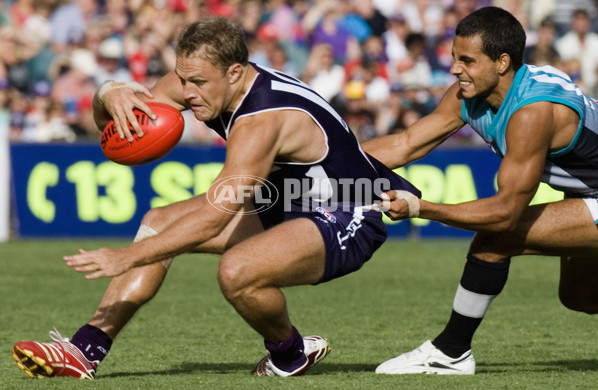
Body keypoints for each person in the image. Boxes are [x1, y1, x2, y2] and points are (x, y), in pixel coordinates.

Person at [11, 16, 419, 379]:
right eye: (182, 78)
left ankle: (290, 353)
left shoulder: (262, 120)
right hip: (289, 199)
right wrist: (109, 91)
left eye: (198, 83)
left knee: (237, 272)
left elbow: (214, 216)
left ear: (236, 73)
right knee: (160, 219)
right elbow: (122, 132)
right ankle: (85, 351)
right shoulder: (201, 79)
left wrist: (128, 256)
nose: (186, 93)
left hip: (348, 212)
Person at [362, 6, 598, 375]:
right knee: (580, 297)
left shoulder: (532, 111)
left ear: (502, 62)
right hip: (589, 194)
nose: (455, 69)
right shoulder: (470, 94)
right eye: (455, 58)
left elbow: (505, 213)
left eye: (467, 60)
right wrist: (330, 164)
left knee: (496, 237)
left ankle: (450, 352)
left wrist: (420, 208)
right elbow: (405, 144)